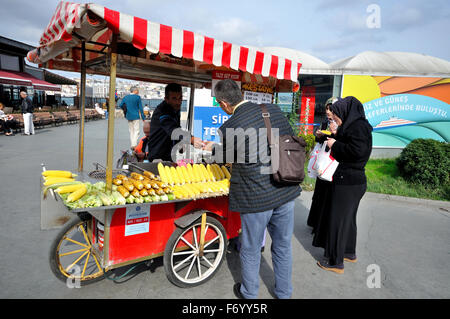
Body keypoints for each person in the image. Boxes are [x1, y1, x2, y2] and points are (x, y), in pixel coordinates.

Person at [207, 79, 301, 299]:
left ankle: (249, 294)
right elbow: (287, 139)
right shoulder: (274, 110)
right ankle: (284, 293)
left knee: (250, 248)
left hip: (256, 197)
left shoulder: (230, 126)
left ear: (223, 104)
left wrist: (212, 149)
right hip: (285, 190)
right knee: (283, 245)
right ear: (239, 93)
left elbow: (225, 160)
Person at [313, 96, 373, 274]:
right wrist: (335, 138)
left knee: (337, 221)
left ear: (346, 112)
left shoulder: (358, 127)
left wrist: (335, 144)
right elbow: (351, 145)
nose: (335, 118)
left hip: (348, 181)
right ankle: (348, 252)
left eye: (337, 114)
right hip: (352, 180)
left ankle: (334, 261)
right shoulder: (356, 126)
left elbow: (356, 152)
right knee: (348, 220)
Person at [147, 83, 203, 161]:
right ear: (166, 99)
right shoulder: (162, 112)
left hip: (170, 154)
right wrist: (191, 139)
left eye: (180, 98)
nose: (178, 102)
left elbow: (177, 129)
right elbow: (173, 130)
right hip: (158, 155)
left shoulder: (175, 109)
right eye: (174, 98)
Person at [307, 97, 338, 233]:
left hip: (332, 162)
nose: (328, 112)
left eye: (330, 109)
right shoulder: (325, 121)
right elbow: (318, 138)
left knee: (328, 194)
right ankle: (315, 223)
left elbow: (341, 140)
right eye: (326, 108)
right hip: (322, 157)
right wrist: (319, 135)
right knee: (318, 193)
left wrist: (334, 133)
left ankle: (323, 225)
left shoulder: (340, 123)